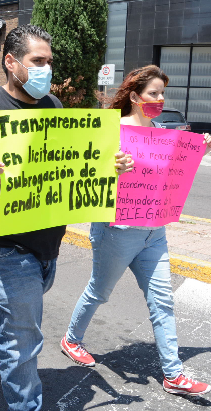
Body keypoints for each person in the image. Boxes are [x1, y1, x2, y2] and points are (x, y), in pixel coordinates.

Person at [0, 24, 132, 410]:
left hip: (45, 244)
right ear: (11, 62)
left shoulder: (53, 106)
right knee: (21, 342)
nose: (46, 69)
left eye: (49, 62)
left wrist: (109, 165)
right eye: (37, 61)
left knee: (2, 311)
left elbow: (64, 165)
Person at [60, 65, 211, 397]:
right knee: (99, 291)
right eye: (153, 93)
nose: (160, 99)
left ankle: (173, 374)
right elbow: (84, 173)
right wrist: (111, 168)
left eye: (162, 93)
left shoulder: (160, 131)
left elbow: (172, 170)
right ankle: (71, 339)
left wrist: (200, 148)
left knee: (162, 302)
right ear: (134, 96)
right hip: (117, 231)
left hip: (154, 232)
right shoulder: (112, 130)